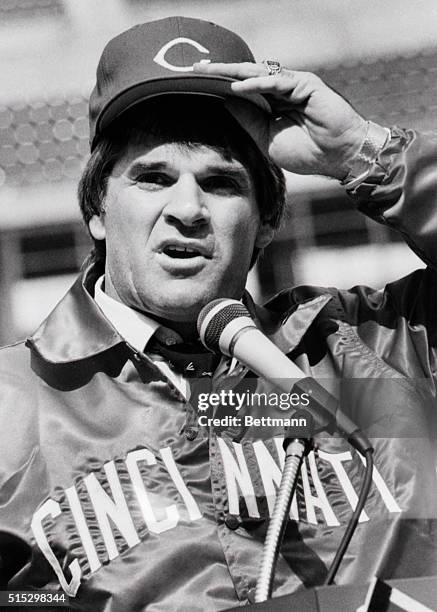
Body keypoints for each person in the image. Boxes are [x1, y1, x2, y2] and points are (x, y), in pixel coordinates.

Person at [0, 15, 436, 611]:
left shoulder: (385, 346)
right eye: (153, 178)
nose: (188, 209)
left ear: (267, 223)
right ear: (98, 212)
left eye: (222, 183)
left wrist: (364, 152)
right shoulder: (14, 404)